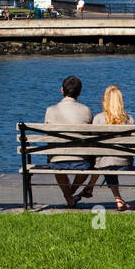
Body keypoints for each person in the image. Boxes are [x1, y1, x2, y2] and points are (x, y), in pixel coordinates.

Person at [77, 84, 135, 212]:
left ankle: (116, 199)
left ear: (105, 100)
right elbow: (134, 145)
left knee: (105, 162)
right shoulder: (129, 119)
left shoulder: (98, 118)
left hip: (105, 162)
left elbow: (92, 145)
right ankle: (91, 188)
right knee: (108, 161)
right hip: (125, 162)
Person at [44, 75, 95, 209]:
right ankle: (71, 194)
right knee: (91, 161)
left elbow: (47, 136)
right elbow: (91, 135)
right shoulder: (86, 110)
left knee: (56, 162)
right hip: (81, 160)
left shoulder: (50, 110)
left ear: (62, 90)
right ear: (79, 92)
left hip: (57, 158)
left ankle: (69, 198)